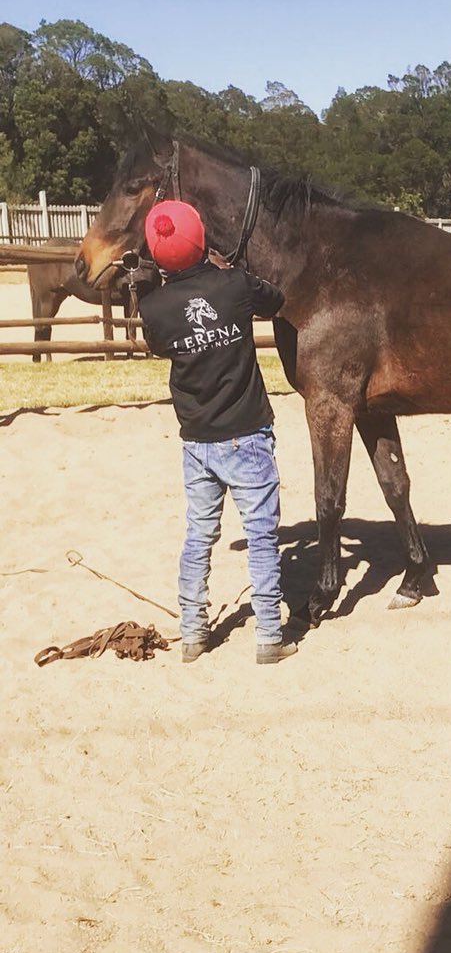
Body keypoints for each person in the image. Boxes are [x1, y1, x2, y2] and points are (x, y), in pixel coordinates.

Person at [138, 199, 297, 665]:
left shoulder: (155, 307)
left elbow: (157, 345)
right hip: (246, 432)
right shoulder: (233, 285)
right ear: (201, 240)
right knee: (262, 534)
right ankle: (269, 634)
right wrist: (226, 266)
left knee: (199, 535)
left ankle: (193, 633)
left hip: (196, 440)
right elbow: (275, 299)